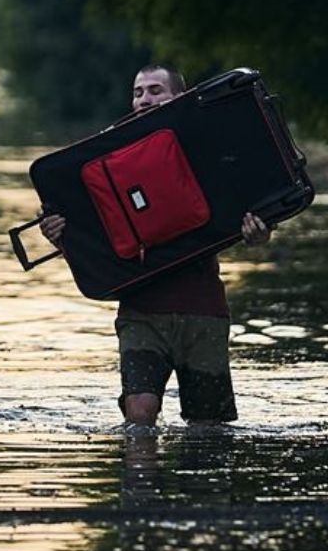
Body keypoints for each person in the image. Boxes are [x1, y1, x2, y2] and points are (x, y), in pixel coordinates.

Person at [38, 64, 270, 426]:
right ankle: (142, 477)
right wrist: (61, 236)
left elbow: (246, 215)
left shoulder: (209, 146)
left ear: (180, 97)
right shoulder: (109, 156)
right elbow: (96, 246)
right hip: (141, 312)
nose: (145, 99)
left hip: (203, 311)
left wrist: (258, 234)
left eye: (155, 90)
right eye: (138, 92)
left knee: (208, 428)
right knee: (140, 415)